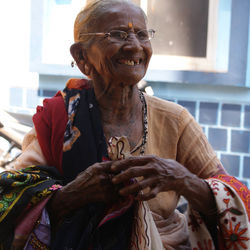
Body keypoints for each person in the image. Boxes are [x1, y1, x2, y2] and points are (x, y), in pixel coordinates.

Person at [0, 0, 249, 249]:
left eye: (142, 34)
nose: (134, 45)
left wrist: (181, 179)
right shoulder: (59, 119)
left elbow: (232, 202)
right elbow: (14, 206)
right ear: (81, 55)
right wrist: (73, 195)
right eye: (118, 34)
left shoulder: (175, 120)